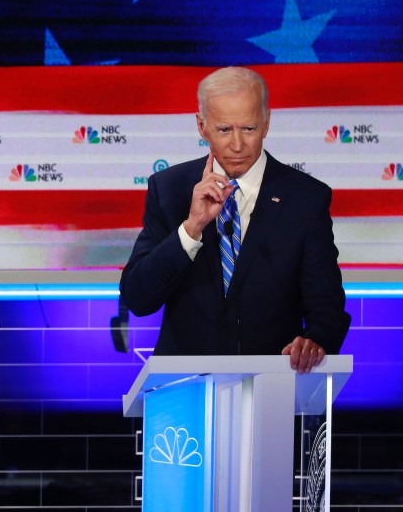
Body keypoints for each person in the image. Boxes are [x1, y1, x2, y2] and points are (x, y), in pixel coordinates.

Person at [120, 66, 350, 374]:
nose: (238, 144)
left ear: (266, 122)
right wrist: (191, 229)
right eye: (224, 130)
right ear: (202, 127)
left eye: (249, 128)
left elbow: (328, 308)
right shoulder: (170, 189)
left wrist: (315, 341)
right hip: (183, 396)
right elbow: (138, 297)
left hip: (273, 388)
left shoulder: (305, 198)